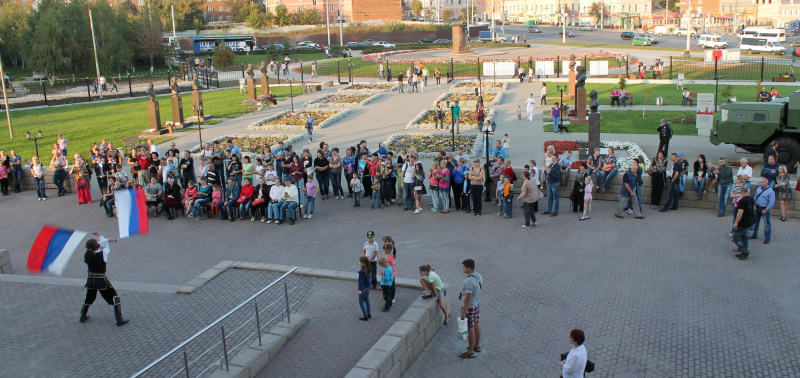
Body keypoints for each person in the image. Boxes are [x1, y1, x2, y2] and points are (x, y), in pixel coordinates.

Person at [79, 233, 129, 326]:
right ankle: (119, 319)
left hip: (91, 280)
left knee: (89, 298)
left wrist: (105, 239)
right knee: (115, 297)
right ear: (97, 246)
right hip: (101, 280)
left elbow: (98, 245)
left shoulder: (86, 253)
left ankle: (83, 316)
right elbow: (106, 246)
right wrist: (106, 239)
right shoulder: (103, 253)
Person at [459, 259, 482, 359]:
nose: (462, 268)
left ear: (469, 268)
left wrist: (464, 311)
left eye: (464, 267)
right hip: (476, 304)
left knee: (470, 327)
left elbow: (468, 298)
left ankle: (470, 351)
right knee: (476, 323)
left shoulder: (468, 281)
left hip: (469, 307)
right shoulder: (478, 275)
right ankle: (476, 346)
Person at [733, 186, 756, 260]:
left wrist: (736, 222)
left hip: (743, 222)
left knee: (736, 237)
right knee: (744, 237)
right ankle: (743, 252)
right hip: (749, 221)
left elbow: (740, 213)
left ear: (741, 191)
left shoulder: (742, 200)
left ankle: (744, 251)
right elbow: (754, 208)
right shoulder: (751, 198)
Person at [750, 177, 775, 244]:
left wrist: (766, 209)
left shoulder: (770, 191)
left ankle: (767, 238)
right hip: (757, 208)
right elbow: (755, 197)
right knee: (756, 222)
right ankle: (754, 234)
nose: (761, 183)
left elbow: (771, 202)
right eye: (760, 182)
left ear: (767, 183)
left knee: (767, 224)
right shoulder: (758, 189)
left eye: (762, 182)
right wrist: (754, 205)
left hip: (764, 208)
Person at [357, 256, 372, 321]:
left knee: (361, 301)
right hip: (368, 286)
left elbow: (361, 281)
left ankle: (365, 315)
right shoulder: (368, 269)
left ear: (363, 263)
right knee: (367, 300)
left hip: (363, 288)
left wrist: (360, 290)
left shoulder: (361, 271)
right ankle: (368, 313)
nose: (359, 263)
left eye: (360, 262)